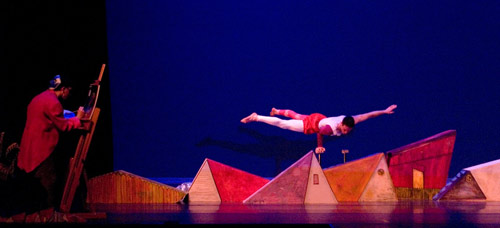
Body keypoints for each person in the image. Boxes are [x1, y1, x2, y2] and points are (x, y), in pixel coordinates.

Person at [16, 75, 83, 210]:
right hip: (40, 150)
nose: (69, 94)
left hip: (29, 148)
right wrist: (78, 119)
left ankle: (37, 214)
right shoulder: (53, 102)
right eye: (69, 90)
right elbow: (63, 126)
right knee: (48, 182)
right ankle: (49, 215)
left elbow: (50, 116)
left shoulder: (39, 97)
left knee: (35, 185)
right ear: (63, 89)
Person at [241, 104, 397, 154]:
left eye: (348, 131)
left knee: (296, 115)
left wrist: (384, 111)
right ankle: (257, 117)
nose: (345, 132)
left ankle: (276, 110)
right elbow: (320, 134)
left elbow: (368, 115)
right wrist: (320, 146)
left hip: (318, 118)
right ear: (341, 124)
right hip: (313, 125)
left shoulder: (351, 120)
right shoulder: (331, 128)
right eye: (344, 130)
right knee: (284, 124)